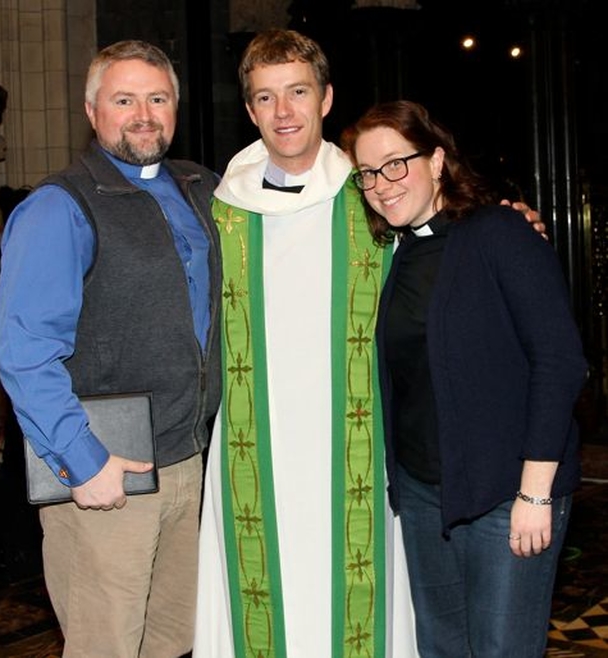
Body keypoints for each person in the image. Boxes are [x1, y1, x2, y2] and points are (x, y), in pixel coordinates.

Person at [194, 29, 543, 658]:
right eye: (267, 98)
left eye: (298, 92)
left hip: (361, 449)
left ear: (326, 98)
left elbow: (452, 239)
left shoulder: (372, 194)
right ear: (249, 111)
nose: (284, 113)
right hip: (254, 446)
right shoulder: (217, 207)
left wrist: (512, 219)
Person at [0, 40, 222, 658]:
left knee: (173, 640)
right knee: (106, 647)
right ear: (93, 112)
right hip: (107, 472)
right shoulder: (60, 207)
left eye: (157, 98)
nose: (143, 114)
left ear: (175, 107)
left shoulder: (204, 189)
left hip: (188, 462)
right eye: (124, 100)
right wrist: (81, 460)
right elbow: (23, 350)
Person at [343, 100, 588, 657]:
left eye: (395, 164)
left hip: (508, 492)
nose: (381, 184)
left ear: (435, 161)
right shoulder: (394, 254)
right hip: (425, 495)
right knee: (442, 648)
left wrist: (535, 491)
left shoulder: (499, 231)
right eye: (367, 173)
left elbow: (560, 360)